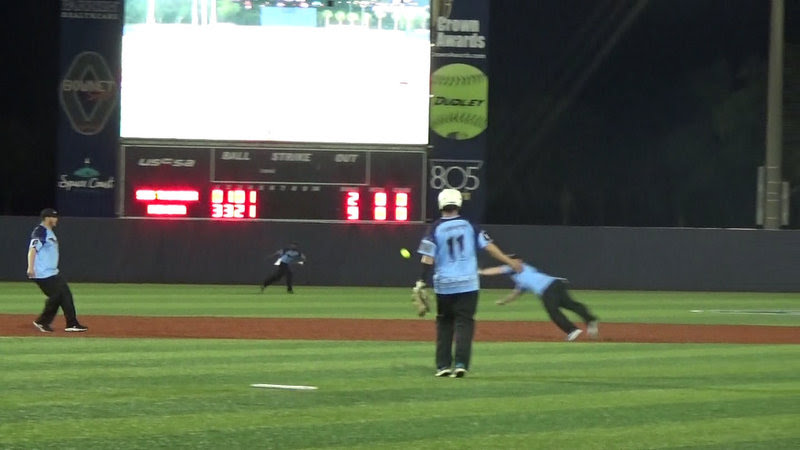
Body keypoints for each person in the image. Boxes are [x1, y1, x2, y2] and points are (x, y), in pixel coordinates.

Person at [414, 189, 522, 378]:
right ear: (458, 203)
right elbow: (489, 247)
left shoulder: (435, 228)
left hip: (445, 285)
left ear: (441, 204)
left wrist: (422, 280)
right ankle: (461, 364)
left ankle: (443, 366)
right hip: (468, 283)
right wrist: (509, 261)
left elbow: (427, 258)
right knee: (465, 323)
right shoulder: (470, 226)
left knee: (445, 324)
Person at [479, 258, 598, 341]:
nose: (511, 263)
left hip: (548, 289)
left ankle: (572, 330)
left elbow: (497, 270)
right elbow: (516, 293)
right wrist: (503, 301)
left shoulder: (521, 267)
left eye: (513, 261)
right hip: (556, 284)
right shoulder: (520, 279)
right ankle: (590, 320)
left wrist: (481, 272)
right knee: (569, 304)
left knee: (553, 311)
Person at [27, 208, 88, 333]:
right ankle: (43, 321)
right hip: (42, 273)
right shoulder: (40, 231)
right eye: (53, 217)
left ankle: (71, 323)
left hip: (53, 272)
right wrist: (30, 267)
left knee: (65, 295)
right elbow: (32, 249)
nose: (56, 219)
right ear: (47, 218)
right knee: (57, 295)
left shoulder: (49, 232)